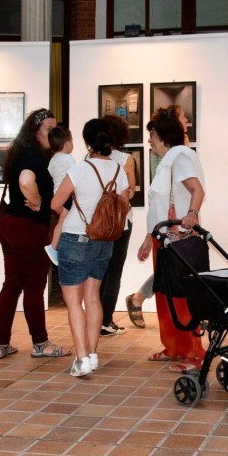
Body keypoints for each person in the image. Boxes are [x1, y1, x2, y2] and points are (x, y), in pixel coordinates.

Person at [50, 119, 129, 377]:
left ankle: (81, 358)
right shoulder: (119, 169)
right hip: (105, 240)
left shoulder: (80, 169)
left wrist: (79, 208)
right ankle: (92, 355)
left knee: (73, 302)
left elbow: (55, 203)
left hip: (75, 237)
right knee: (93, 297)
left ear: (87, 142)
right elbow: (125, 202)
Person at [0, 109, 66, 360]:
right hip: (28, 227)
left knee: (12, 284)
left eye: (56, 129)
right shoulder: (34, 155)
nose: (54, 133)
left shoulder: (21, 153)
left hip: (9, 225)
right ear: (35, 131)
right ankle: (40, 343)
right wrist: (36, 201)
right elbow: (25, 181)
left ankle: (1, 344)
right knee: (34, 286)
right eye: (49, 129)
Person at [136, 109, 206, 371]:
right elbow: (159, 204)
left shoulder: (181, 157)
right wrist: (148, 238)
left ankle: (193, 353)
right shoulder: (168, 160)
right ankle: (174, 347)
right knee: (164, 296)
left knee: (181, 297)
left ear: (164, 135)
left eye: (152, 134)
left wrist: (193, 214)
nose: (149, 140)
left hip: (179, 239)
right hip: (163, 238)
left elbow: (197, 189)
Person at [125, 104, 190, 328]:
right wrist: (150, 234)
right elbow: (160, 195)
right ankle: (139, 299)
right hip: (170, 223)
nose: (187, 121)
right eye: (183, 117)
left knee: (175, 271)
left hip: (179, 221)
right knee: (172, 271)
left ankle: (140, 299)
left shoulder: (181, 149)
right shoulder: (164, 154)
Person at [98, 115, 137, 336]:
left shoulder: (90, 157)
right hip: (120, 222)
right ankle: (105, 320)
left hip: (98, 221)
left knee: (99, 270)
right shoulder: (125, 159)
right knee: (114, 272)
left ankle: (95, 318)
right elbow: (130, 192)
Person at [43, 125, 75, 266]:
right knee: (63, 222)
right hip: (67, 194)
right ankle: (53, 247)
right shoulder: (69, 159)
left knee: (62, 221)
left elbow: (50, 177)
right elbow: (75, 176)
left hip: (57, 195)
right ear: (67, 143)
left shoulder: (53, 160)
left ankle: (54, 246)